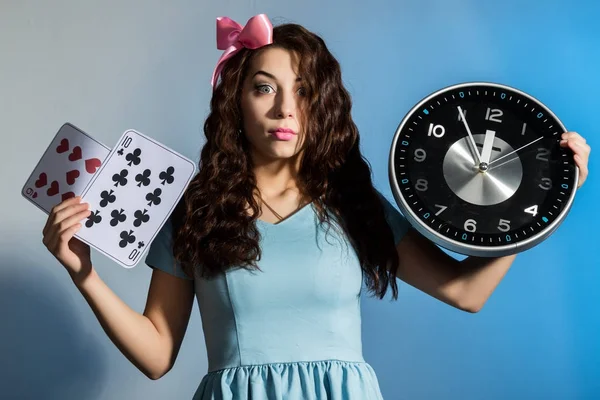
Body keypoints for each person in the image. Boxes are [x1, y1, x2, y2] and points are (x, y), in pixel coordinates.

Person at [41, 14, 592, 400]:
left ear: (322, 104)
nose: (285, 108)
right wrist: (84, 274)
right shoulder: (195, 210)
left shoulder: (354, 204)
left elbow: (467, 292)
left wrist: (542, 202)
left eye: (303, 90)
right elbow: (159, 355)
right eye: (264, 88)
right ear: (236, 99)